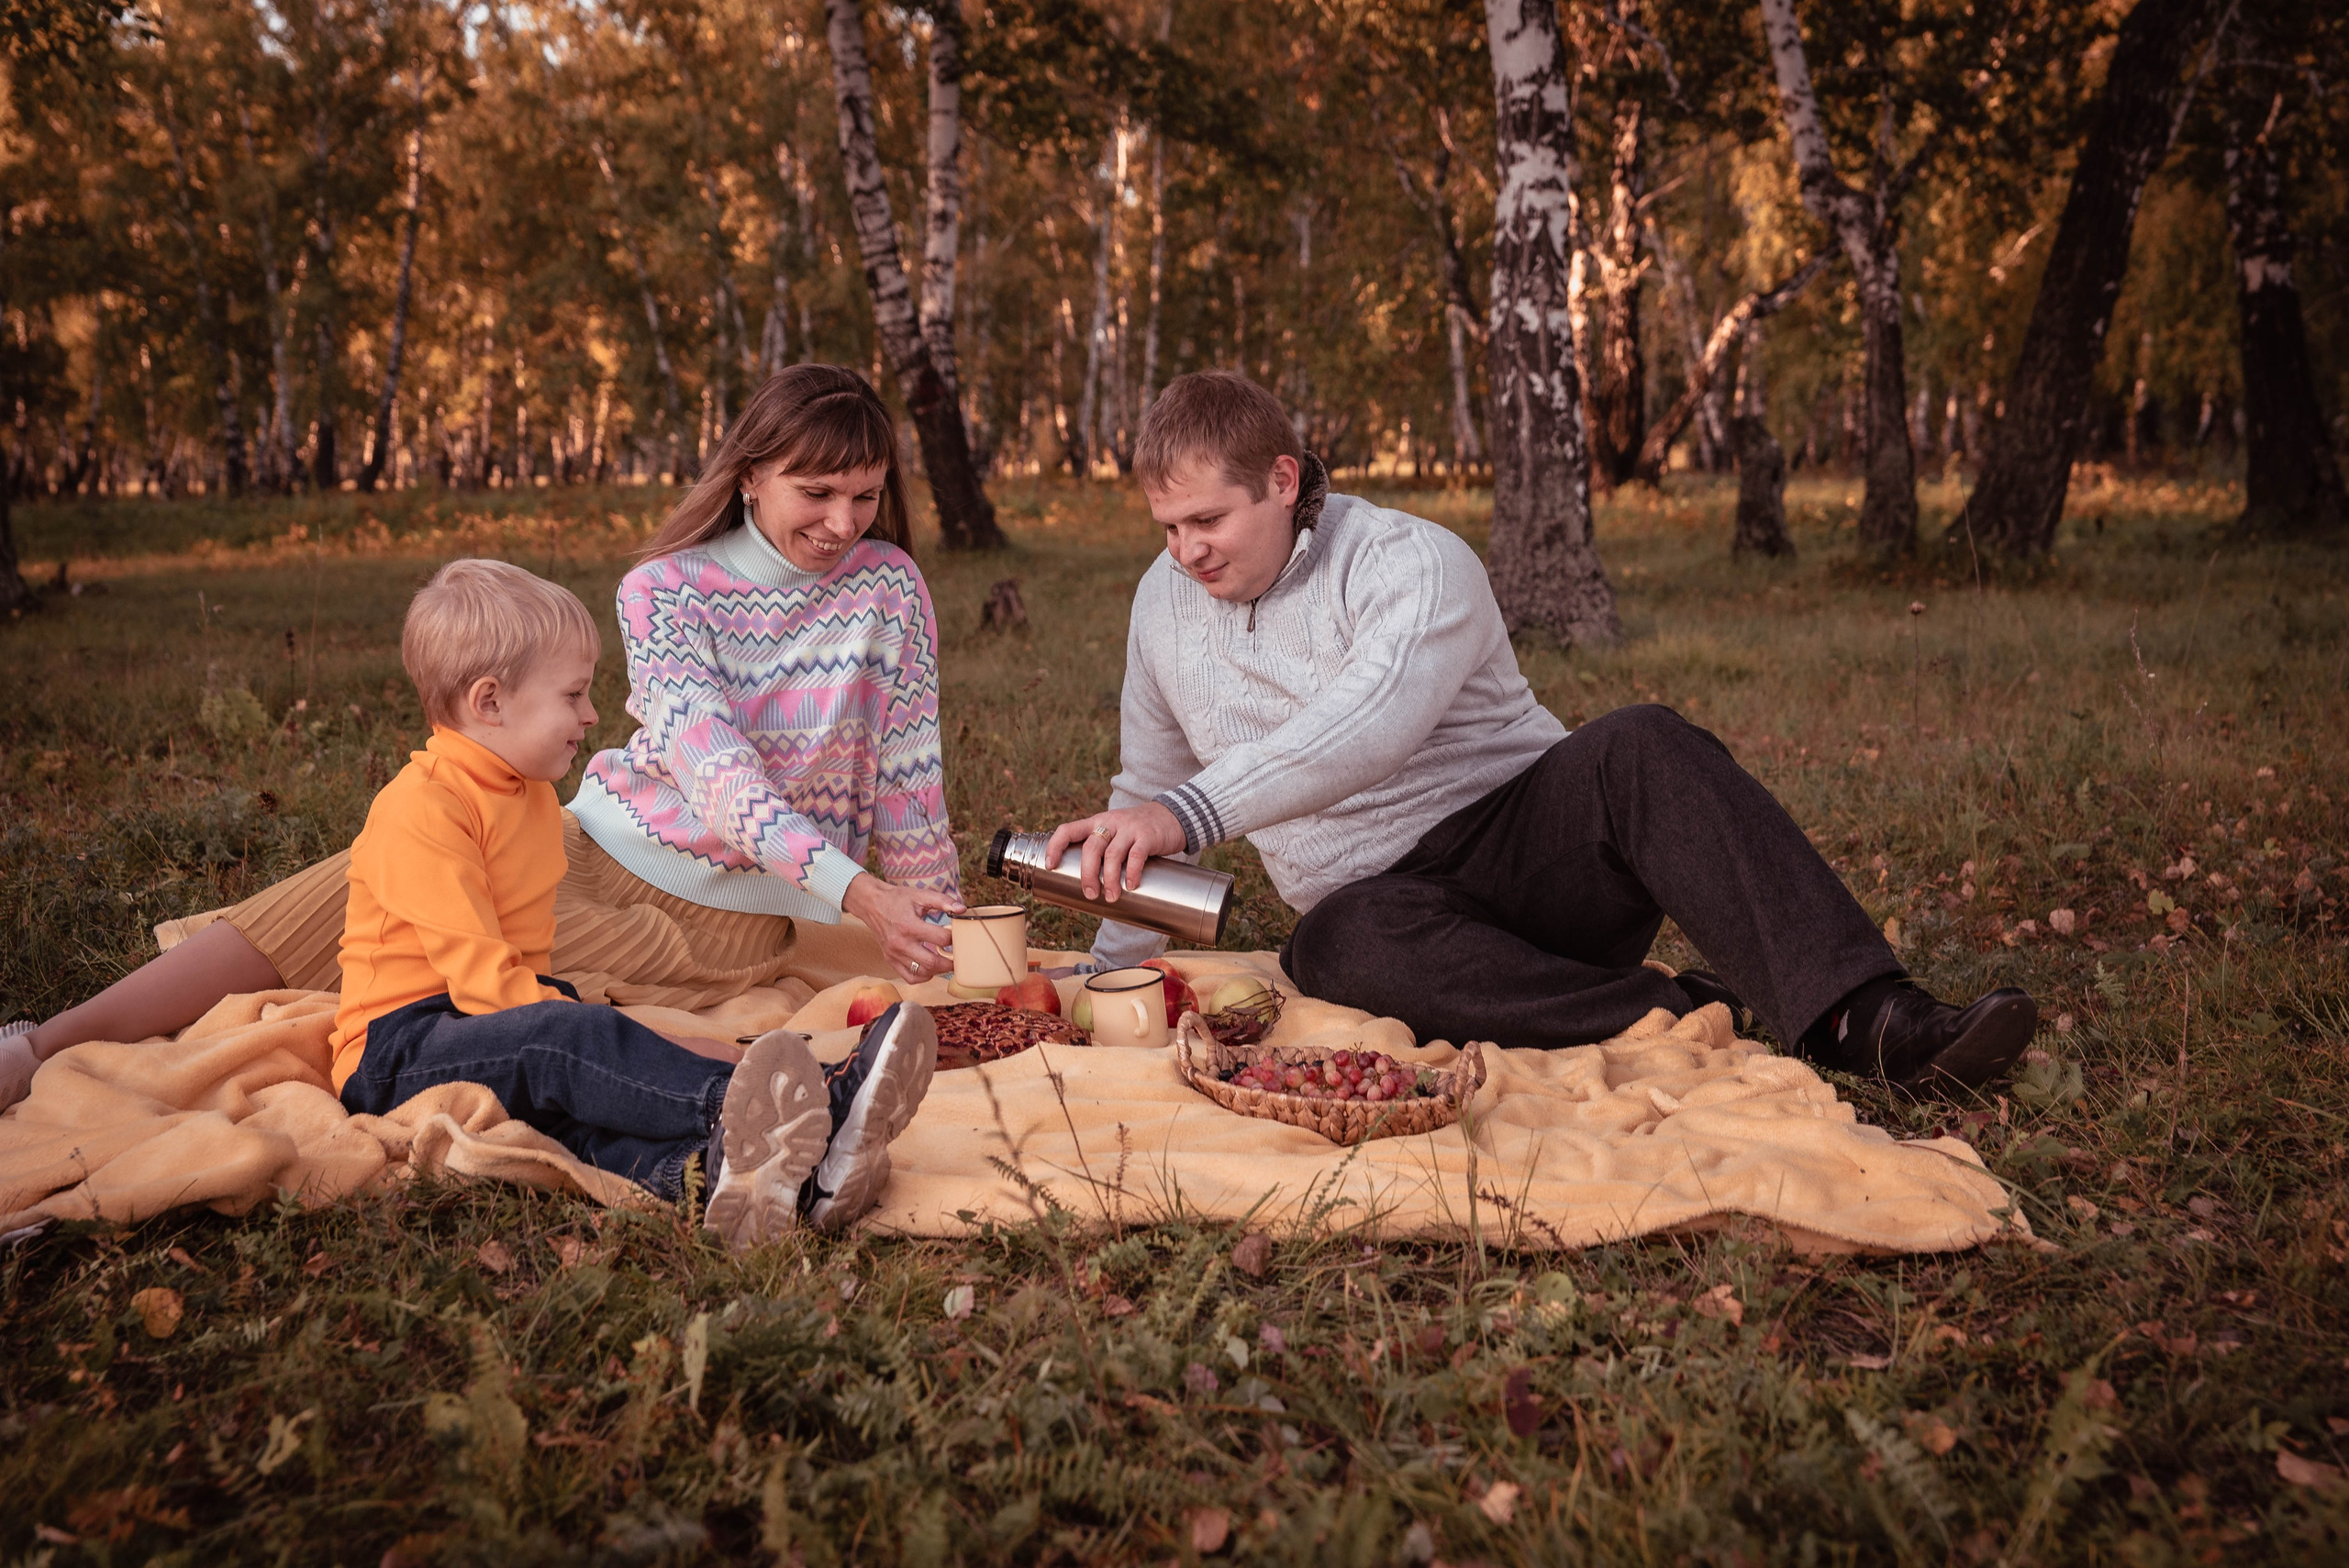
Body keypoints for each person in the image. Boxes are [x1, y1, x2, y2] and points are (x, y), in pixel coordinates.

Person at [1, 365, 963, 1114]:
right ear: (751, 475)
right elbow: (715, 771)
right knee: (363, 868)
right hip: (577, 835)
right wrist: (856, 887)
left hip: (707, 918)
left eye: (866, 496)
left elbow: (910, 777)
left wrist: (944, 929)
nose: (844, 522)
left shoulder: (888, 589)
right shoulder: (661, 590)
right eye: (818, 491)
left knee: (459, 956)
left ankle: (50, 1047)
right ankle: (46, 1046)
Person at [1045, 372, 2036, 1094]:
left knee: (1641, 740)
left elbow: (1369, 724)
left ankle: (1867, 1017)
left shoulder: (1409, 561)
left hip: (1531, 855)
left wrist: (1187, 814)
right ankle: (1689, 1011)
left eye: (1206, 519)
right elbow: (1150, 780)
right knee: (1335, 943)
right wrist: (1103, 971)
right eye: (1166, 528)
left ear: (1281, 478)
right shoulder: (1161, 603)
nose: (1186, 551)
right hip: (1394, 915)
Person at [328, 558, 931, 1242]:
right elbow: (487, 987)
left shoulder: (524, 793)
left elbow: (520, 983)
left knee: (576, 1115)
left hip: (484, 1023)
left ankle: (733, 1175)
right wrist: (635, 1038)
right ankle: (794, 1102)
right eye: (574, 695)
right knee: (569, 1040)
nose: (591, 714)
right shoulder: (423, 808)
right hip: (395, 1049)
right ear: (489, 702)